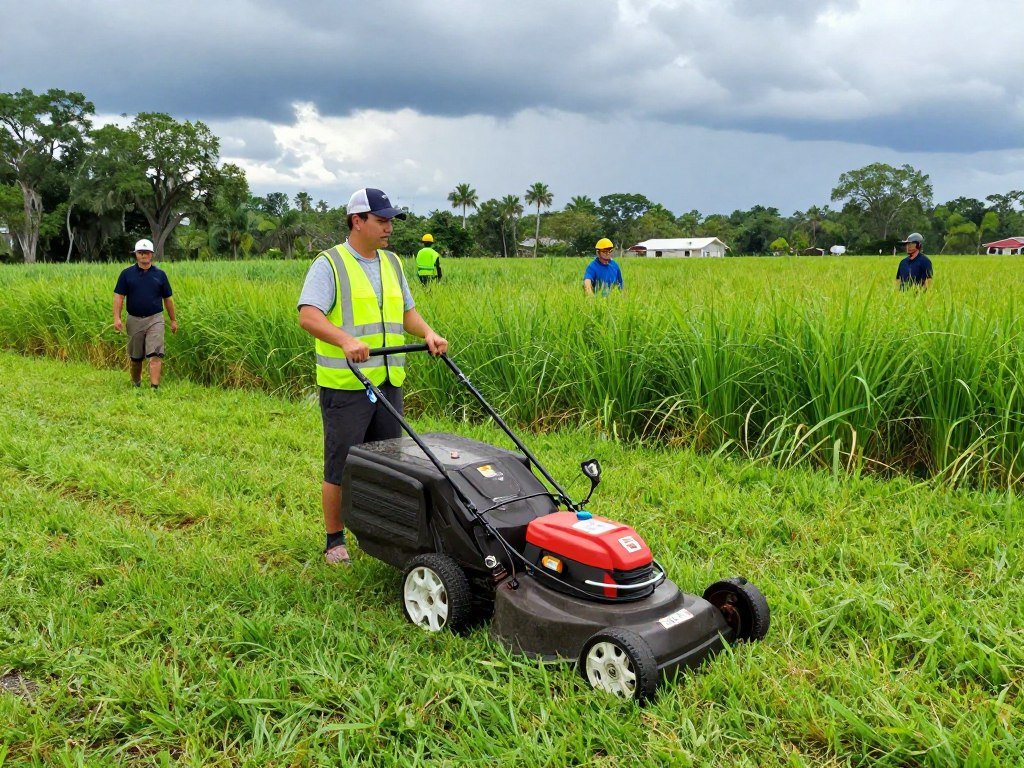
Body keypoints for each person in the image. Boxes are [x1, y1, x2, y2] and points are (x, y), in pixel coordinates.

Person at [297, 187, 448, 565]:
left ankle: (384, 534)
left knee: (387, 463)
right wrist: (345, 339)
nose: (389, 228)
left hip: (386, 380)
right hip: (346, 384)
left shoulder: (393, 264)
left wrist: (427, 332)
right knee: (342, 463)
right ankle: (335, 541)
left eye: (391, 221)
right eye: (381, 221)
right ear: (357, 221)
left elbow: (406, 313)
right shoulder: (329, 264)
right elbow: (308, 315)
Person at [112, 238, 178, 389]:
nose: (144, 255)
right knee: (136, 358)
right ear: (136, 255)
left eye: (146, 252)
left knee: (156, 354)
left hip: (155, 319)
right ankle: (136, 384)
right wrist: (117, 318)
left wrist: (173, 320)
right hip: (134, 320)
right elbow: (119, 297)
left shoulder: (160, 275)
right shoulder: (126, 274)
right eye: (140, 253)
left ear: (152, 254)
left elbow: (168, 299)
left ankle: (154, 388)